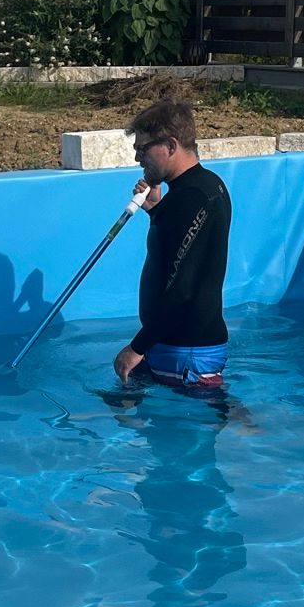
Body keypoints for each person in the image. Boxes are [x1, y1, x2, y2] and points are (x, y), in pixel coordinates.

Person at [112, 97, 232, 389]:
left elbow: (183, 288)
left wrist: (137, 348)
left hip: (188, 350)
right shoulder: (195, 189)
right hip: (173, 343)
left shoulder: (194, 197)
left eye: (143, 149)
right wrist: (156, 211)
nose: (138, 158)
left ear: (170, 145)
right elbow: (173, 257)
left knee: (197, 414)